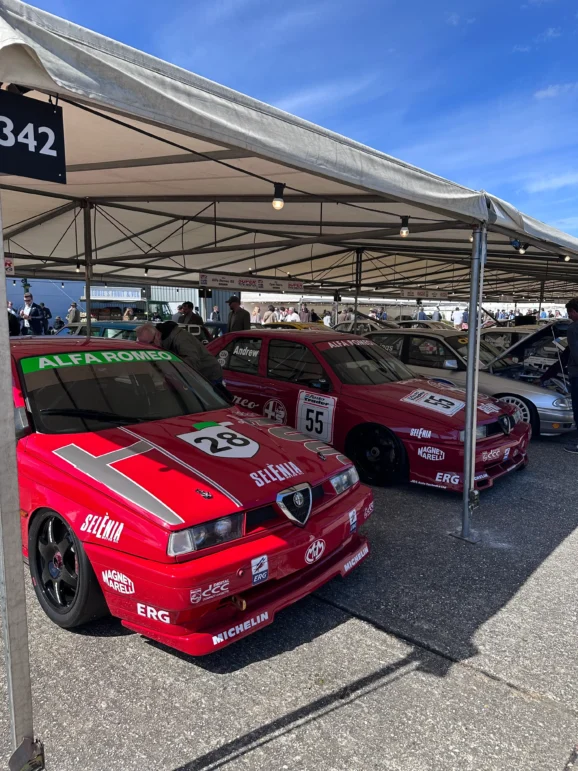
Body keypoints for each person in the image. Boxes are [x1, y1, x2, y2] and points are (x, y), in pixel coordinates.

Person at [136, 322, 224, 386]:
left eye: (150, 343)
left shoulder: (181, 339)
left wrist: (166, 368)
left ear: (157, 335)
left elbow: (192, 362)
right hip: (195, 377)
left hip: (209, 375)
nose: (149, 347)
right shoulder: (161, 340)